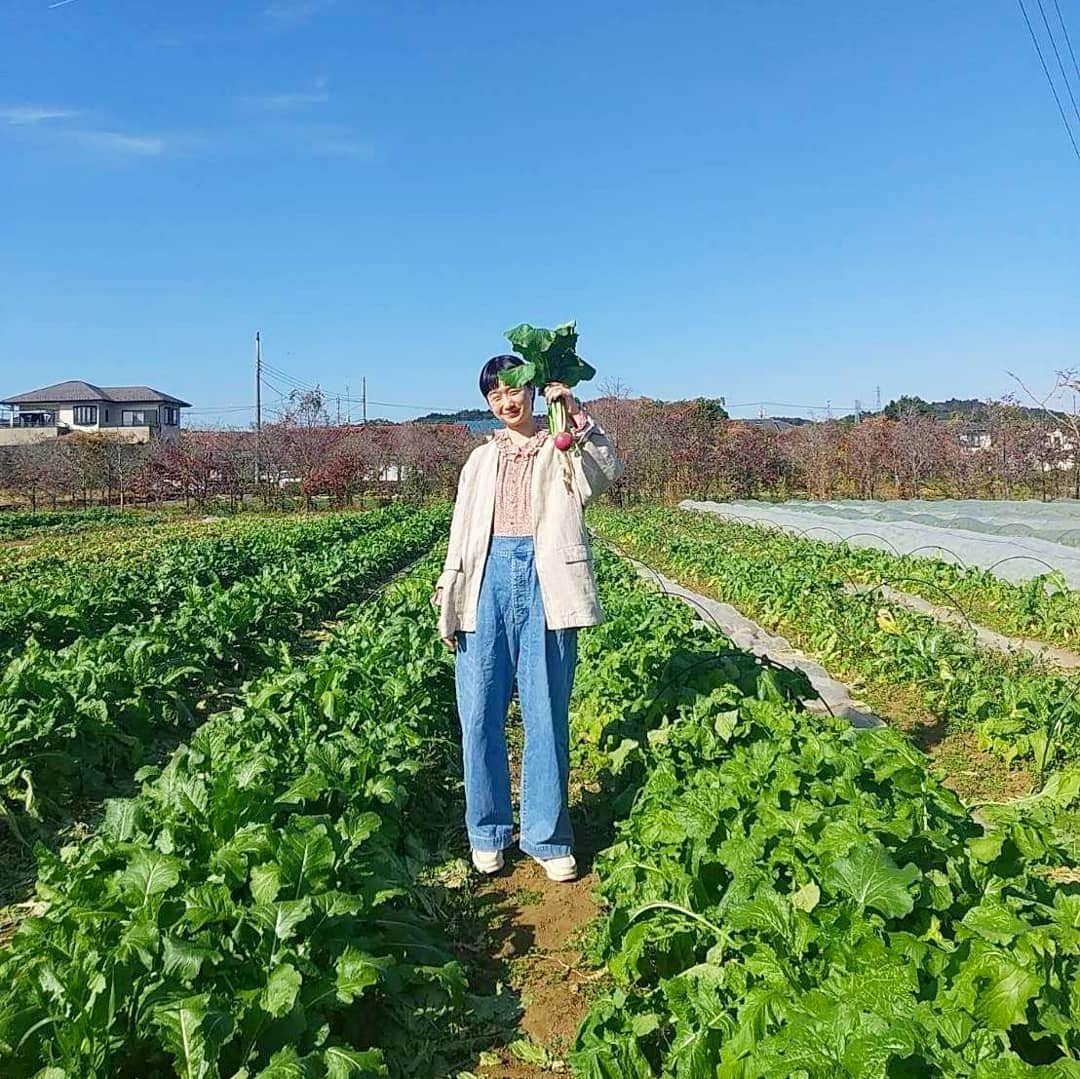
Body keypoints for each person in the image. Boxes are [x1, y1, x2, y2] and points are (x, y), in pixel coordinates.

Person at [431, 355, 624, 882]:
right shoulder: (478, 460)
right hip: (485, 578)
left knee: (544, 711)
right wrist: (449, 594)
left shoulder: (563, 447)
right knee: (478, 711)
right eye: (495, 396)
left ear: (534, 391)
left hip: (546, 579)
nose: (506, 402)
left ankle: (547, 836)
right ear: (489, 403)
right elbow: (460, 532)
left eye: (514, 390)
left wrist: (576, 416)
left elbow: (607, 472)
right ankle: (488, 831)